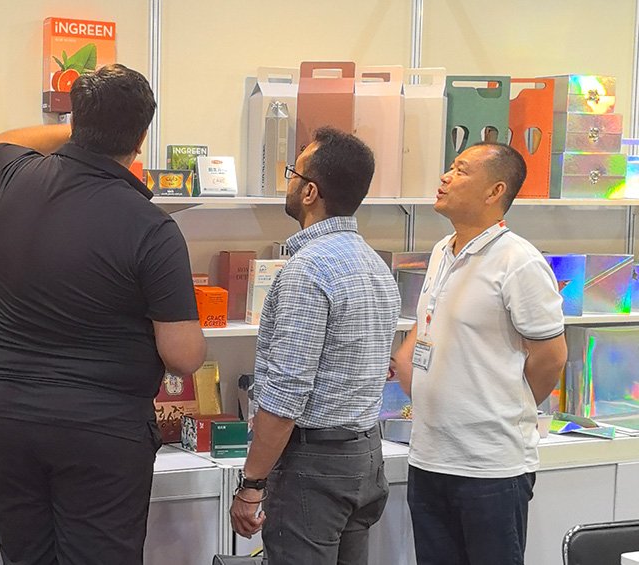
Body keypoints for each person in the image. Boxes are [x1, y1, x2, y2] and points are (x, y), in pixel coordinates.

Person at [0, 63, 207, 565]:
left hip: (5, 416)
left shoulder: (15, 179)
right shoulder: (153, 227)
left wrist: (84, 127)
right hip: (100, 429)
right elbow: (184, 356)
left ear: (75, 119)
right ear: (142, 139)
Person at [230, 128, 401, 565]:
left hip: (314, 465)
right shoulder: (375, 264)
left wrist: (251, 486)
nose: (287, 181)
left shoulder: (307, 271)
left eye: (292, 172)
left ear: (310, 191)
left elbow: (285, 399)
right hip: (365, 456)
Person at [391, 142, 567, 565]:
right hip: (430, 457)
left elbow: (551, 358)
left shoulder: (517, 261)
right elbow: (429, 327)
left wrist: (506, 404)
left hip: (490, 467)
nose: (446, 177)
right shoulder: (442, 251)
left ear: (494, 191)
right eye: (450, 167)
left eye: (461, 170)